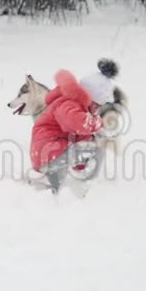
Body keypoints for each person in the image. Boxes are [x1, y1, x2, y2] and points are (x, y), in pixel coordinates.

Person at [30, 62, 116, 194]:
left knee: (90, 148)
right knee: (98, 151)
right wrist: (98, 123)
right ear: (91, 98)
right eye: (97, 105)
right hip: (49, 152)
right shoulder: (70, 103)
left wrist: (81, 165)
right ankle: (83, 186)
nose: (97, 109)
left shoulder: (73, 104)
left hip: (49, 152)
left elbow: (80, 137)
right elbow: (78, 123)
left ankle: (53, 182)